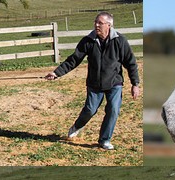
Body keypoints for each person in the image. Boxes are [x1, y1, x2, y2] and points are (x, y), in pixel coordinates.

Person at [45, 11, 140, 150]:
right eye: (95, 22)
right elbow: (74, 60)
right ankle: (77, 126)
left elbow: (130, 63)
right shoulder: (88, 40)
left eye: (100, 23)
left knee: (113, 109)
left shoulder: (120, 41)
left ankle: (104, 140)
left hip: (114, 82)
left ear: (109, 25)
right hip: (94, 83)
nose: (96, 25)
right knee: (90, 110)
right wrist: (56, 73)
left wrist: (135, 84)